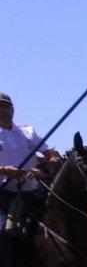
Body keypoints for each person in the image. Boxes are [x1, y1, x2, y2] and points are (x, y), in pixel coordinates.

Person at [0, 91, 50, 230]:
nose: (3, 110)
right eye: (0, 107)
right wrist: (4, 170)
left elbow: (50, 155)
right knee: (3, 229)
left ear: (12, 109)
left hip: (32, 190)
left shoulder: (28, 131)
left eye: (6, 106)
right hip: (4, 192)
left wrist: (43, 170)